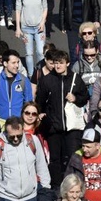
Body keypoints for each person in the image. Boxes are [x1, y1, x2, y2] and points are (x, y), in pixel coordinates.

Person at [35, 48, 89, 187]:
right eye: (55, 63)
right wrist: (43, 116)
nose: (57, 66)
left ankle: (73, 186)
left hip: (72, 128)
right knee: (55, 159)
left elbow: (85, 98)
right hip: (54, 127)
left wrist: (75, 98)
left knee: (72, 157)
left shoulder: (76, 78)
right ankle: (56, 188)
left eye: (61, 63)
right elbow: (39, 102)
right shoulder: (47, 80)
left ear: (67, 63)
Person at [59, 0, 101, 64]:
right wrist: (62, 25)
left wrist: (96, 20)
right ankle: (76, 73)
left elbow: (95, 6)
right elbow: (62, 9)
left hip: (87, 24)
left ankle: (95, 69)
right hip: (72, 25)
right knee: (74, 51)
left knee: (92, 48)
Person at [0, 50, 33, 127]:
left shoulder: (24, 80)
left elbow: (29, 103)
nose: (17, 65)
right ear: (5, 63)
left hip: (19, 122)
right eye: (13, 63)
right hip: (0, 123)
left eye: (18, 62)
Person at [16, 0, 48, 74]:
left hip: (39, 27)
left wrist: (42, 22)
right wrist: (18, 27)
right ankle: (31, 75)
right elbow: (18, 11)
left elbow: (45, 8)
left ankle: (39, 73)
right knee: (29, 54)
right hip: (26, 28)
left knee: (40, 52)